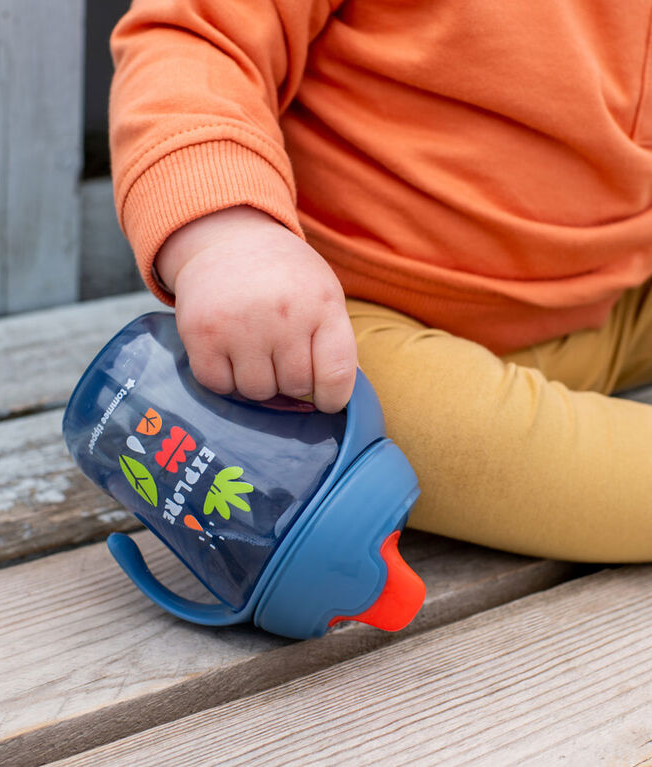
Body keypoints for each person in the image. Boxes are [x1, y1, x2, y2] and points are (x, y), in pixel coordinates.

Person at [108, 0, 652, 562]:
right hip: (348, 320)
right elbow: (198, 38)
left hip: (618, 292)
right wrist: (226, 238)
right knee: (362, 432)